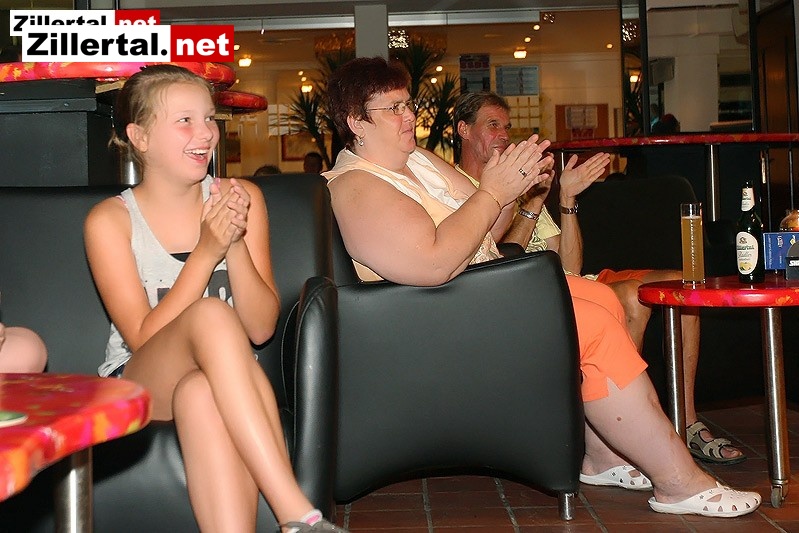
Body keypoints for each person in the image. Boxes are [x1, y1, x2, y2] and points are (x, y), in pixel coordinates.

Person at [323, 56, 760, 518]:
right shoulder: (355, 187)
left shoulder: (418, 161)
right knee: (588, 322)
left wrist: (516, 187)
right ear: (356, 122)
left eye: (408, 104)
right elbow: (433, 263)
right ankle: (678, 481)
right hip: (432, 326)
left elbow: (489, 233)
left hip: (470, 299)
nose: (409, 116)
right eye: (393, 108)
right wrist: (492, 192)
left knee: (602, 298)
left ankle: (600, 456)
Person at [84, 64, 346, 533]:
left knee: (201, 393)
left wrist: (235, 242)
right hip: (139, 381)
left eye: (208, 118)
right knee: (209, 313)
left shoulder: (242, 197)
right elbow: (142, 338)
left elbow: (261, 329)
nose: (205, 133)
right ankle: (297, 513)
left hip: (219, 379)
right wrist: (207, 252)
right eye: (184, 121)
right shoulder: (111, 221)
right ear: (140, 137)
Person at [453, 92, 745, 466]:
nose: (503, 135)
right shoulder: (460, 187)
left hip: (574, 281)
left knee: (680, 284)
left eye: (506, 127)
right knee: (631, 297)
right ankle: (626, 435)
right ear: (463, 129)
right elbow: (499, 257)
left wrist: (566, 199)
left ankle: (686, 421)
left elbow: (570, 266)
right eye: (492, 125)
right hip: (533, 292)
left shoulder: (519, 184)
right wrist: (533, 203)